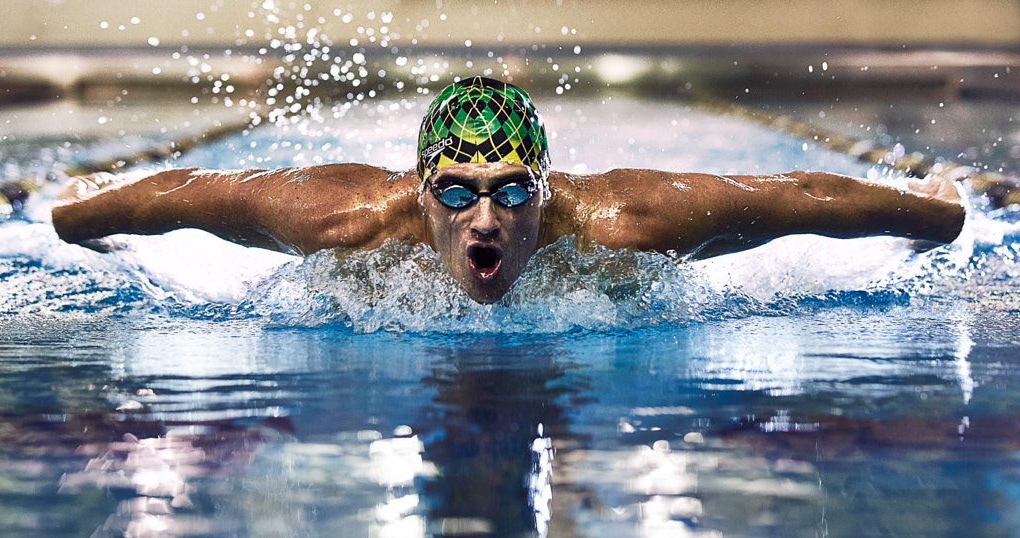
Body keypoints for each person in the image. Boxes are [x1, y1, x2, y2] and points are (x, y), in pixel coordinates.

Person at [53, 76, 966, 304]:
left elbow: (799, 197)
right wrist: (69, 210)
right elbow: (189, 189)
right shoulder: (341, 218)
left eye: (510, 192)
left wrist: (945, 208)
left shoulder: (623, 221)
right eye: (454, 194)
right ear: (418, 195)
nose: (484, 217)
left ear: (546, 189)